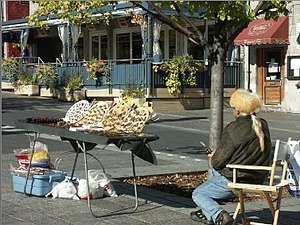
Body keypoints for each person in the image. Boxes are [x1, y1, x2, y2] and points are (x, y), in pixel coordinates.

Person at [190, 89, 272, 225]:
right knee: (211, 184)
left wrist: (213, 156)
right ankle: (209, 215)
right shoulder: (263, 124)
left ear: (238, 111)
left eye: (233, 108)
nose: (233, 111)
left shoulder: (233, 128)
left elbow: (217, 163)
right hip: (258, 177)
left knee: (198, 194)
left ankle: (219, 215)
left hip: (236, 179)